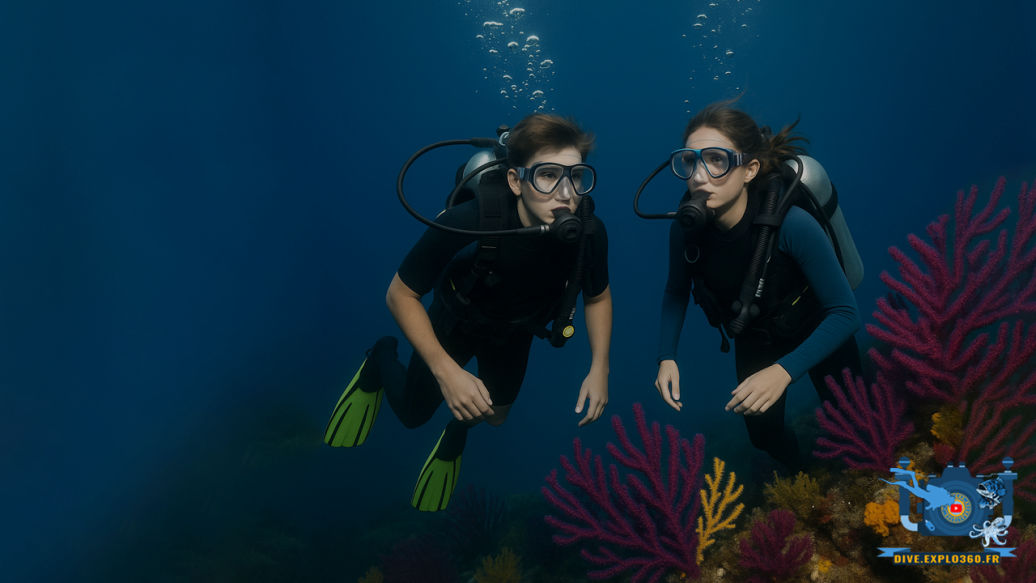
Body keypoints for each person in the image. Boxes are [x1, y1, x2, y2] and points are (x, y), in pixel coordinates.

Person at [325, 113, 612, 511]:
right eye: (548, 175)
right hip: (455, 322)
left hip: (516, 331)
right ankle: (379, 359)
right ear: (515, 181)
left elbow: (597, 297)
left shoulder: (589, 232)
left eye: (576, 176)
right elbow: (399, 294)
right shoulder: (471, 220)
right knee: (412, 415)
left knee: (494, 417)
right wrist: (447, 373)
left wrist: (600, 367)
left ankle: (460, 427)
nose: (565, 192)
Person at [653, 102, 861, 471]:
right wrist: (666, 356)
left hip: (818, 327)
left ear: (749, 169)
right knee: (762, 435)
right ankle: (805, 477)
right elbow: (675, 291)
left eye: (716, 159)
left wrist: (784, 371)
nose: (699, 176)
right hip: (756, 335)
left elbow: (845, 313)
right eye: (690, 161)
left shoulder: (791, 224)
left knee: (857, 416)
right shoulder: (685, 231)